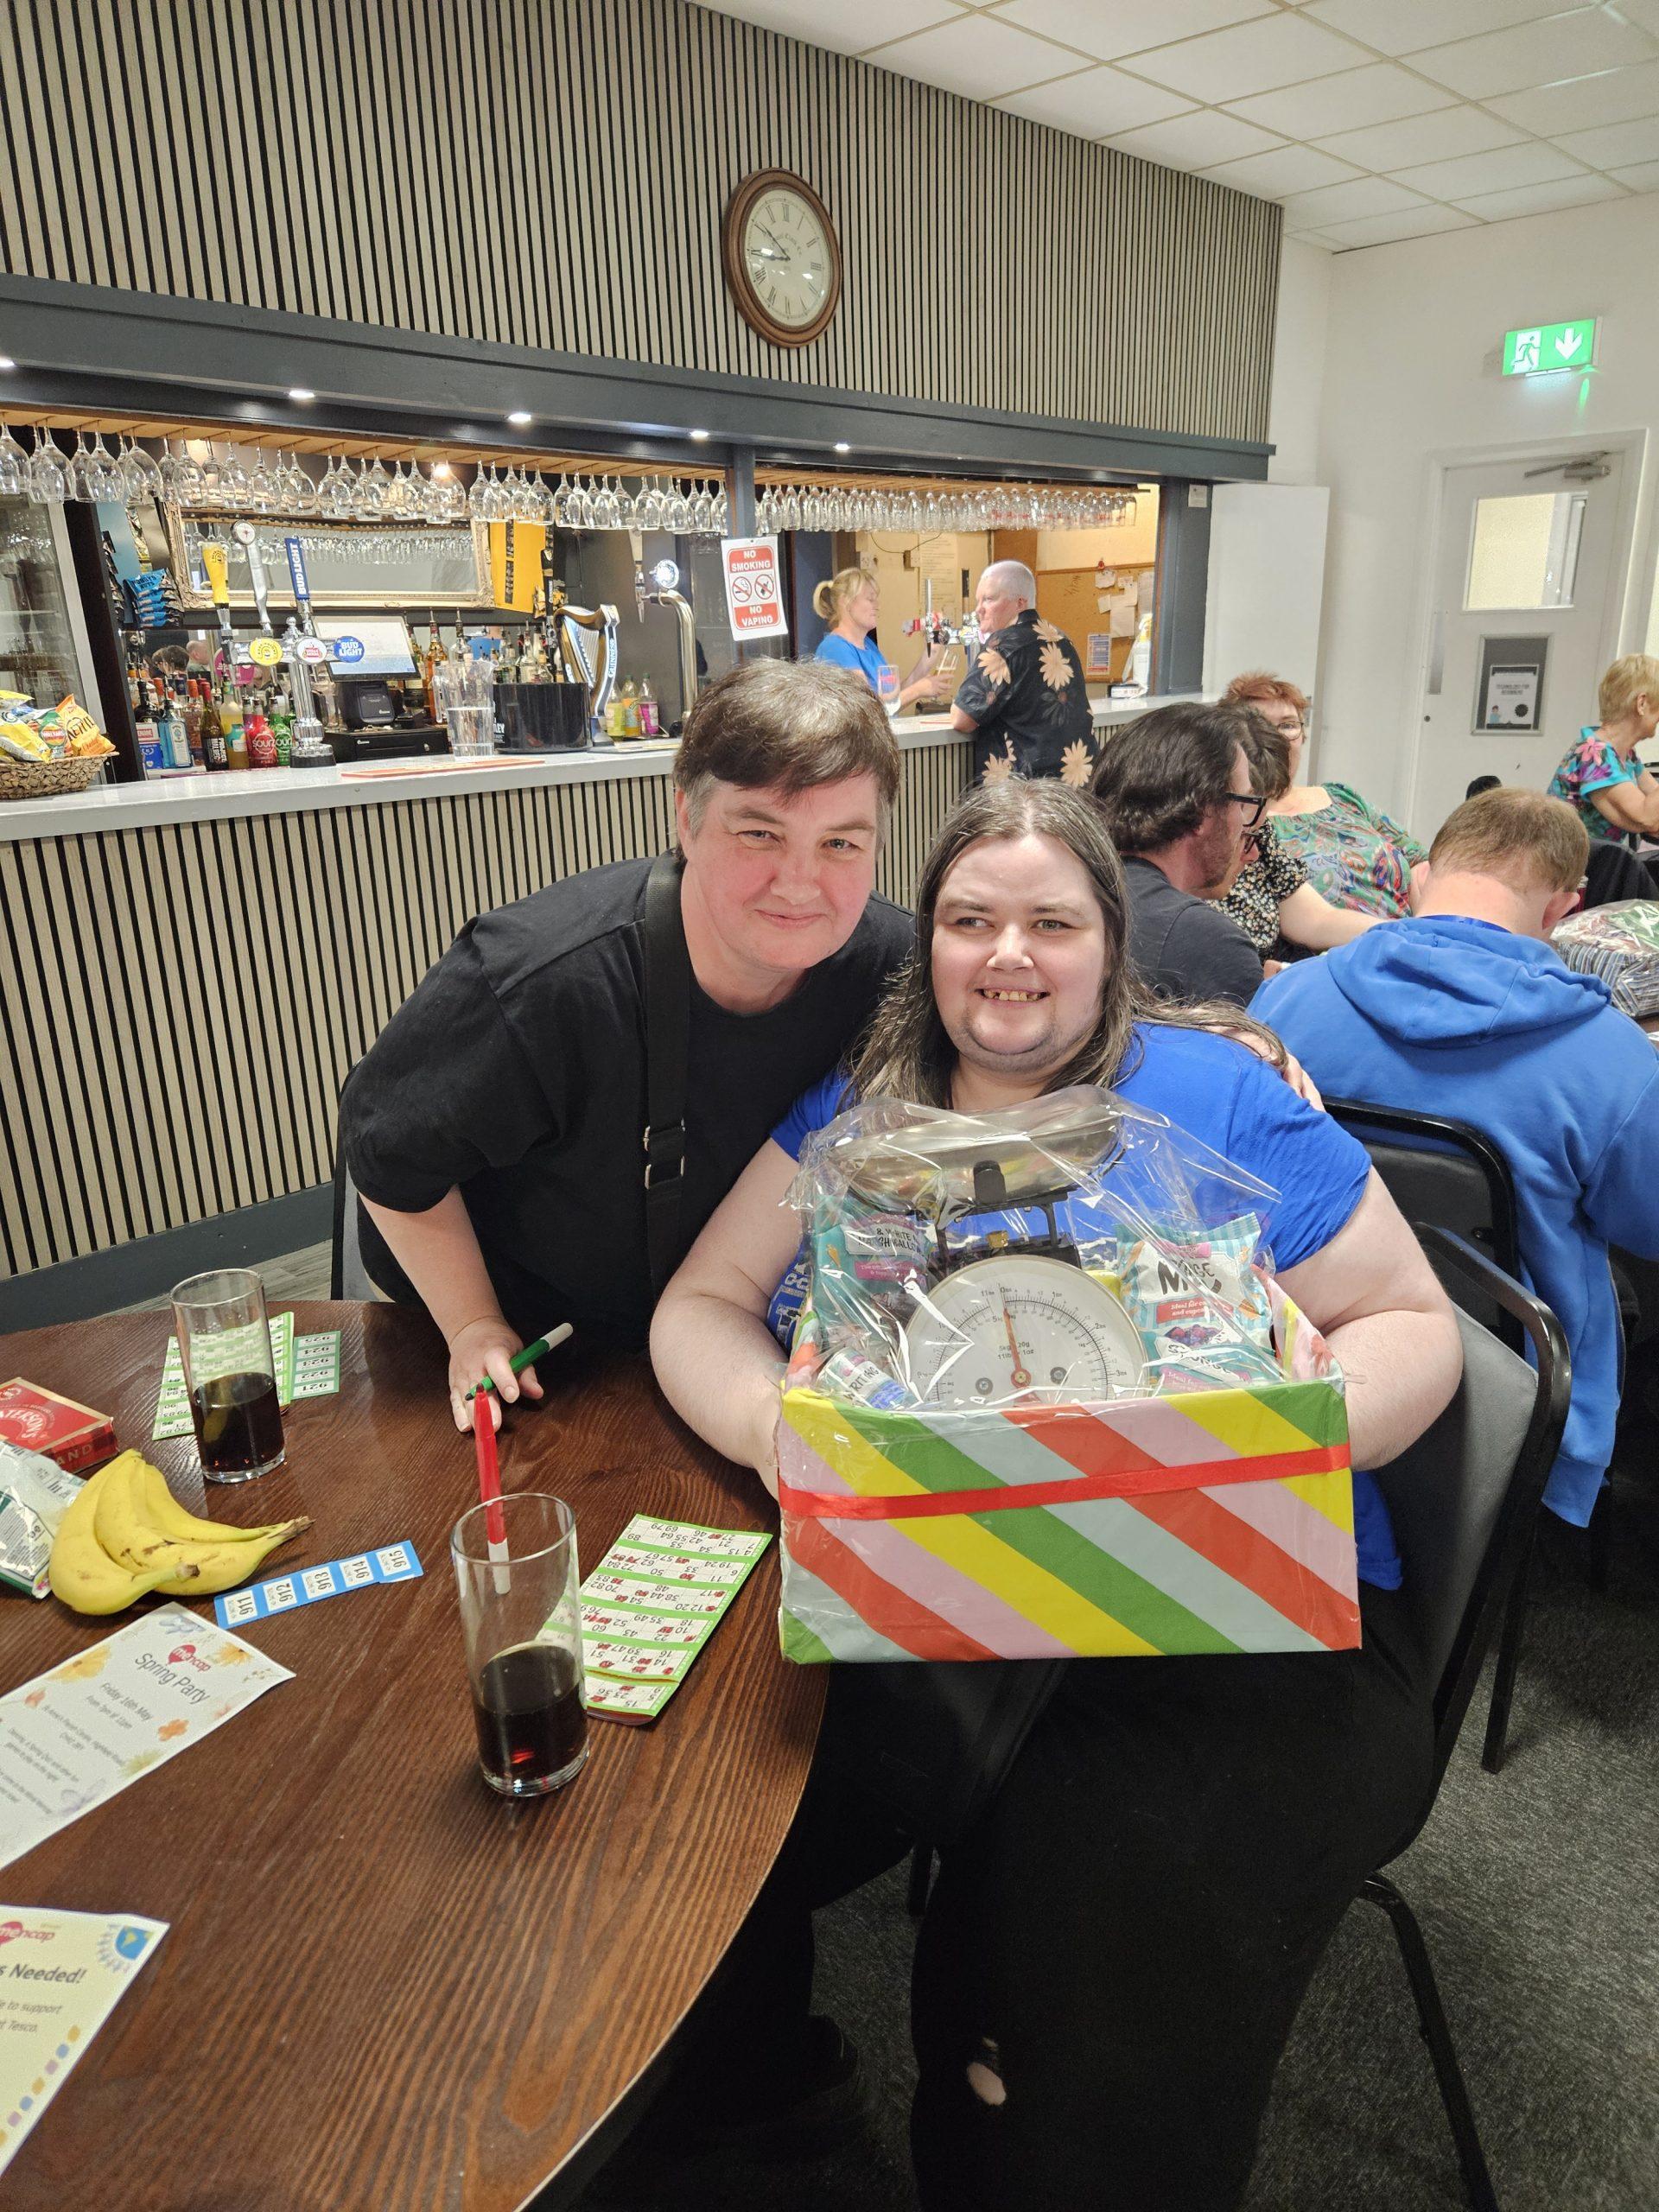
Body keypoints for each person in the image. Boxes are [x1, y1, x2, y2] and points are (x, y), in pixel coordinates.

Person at [651, 779, 1460, 2212]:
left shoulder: (1215, 1094)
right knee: (692, 1795)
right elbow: (700, 1305)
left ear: (1107, 941)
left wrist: (1266, 1437)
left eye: (1049, 921)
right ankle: (749, 2104)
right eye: (970, 919)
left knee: (1081, 1965)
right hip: (948, 1586)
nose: (1007, 954)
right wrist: (780, 1429)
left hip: (1234, 1617)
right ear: (932, 944)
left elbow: (1419, 1329)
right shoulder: (870, 1103)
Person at [337, 658, 914, 1429]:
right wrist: (472, 1324)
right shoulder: (542, 980)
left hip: (749, 1348)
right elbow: (386, 1149)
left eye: (842, 844)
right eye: (758, 833)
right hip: (539, 1360)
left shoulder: (896, 968)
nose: (801, 883)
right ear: (686, 820)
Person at [1257, 786, 1659, 1532]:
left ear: (1416, 882)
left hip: (1310, 1355)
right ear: (1562, 910)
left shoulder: (1283, 1004)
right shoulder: (1613, 1057)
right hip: (1515, 1386)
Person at [1090, 700, 1266, 1005]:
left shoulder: (1068, 890)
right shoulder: (1208, 944)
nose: (1244, 828)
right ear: (1203, 812)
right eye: (1242, 804)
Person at [1223, 671, 1427, 919]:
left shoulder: (1342, 797)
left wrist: (1430, 925)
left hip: (1408, 936)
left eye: (1288, 725)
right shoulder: (1242, 822)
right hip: (1331, 949)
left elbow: (1421, 864)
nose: (1276, 737)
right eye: (1261, 726)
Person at [1221, 708, 1381, 967]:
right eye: (1256, 801)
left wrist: (1403, 933)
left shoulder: (1259, 835)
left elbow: (1317, 920)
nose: (1264, 815)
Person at [950, 559, 1093, 785]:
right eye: (979, 600)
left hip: (1025, 793)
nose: (979, 609)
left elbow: (962, 719)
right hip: (1074, 786)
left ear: (1019, 603)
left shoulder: (1004, 645)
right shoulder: (1062, 638)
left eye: (989, 599)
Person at [1545, 651, 1659, 841]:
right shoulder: (1595, 755)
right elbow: (1647, 818)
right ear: (1641, 704)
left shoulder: (1626, 754)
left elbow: (1652, 803)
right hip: (1569, 866)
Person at [811, 566, 949, 711]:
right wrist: (918, 690)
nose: (877, 605)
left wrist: (933, 649)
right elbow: (868, 709)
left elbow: (891, 701)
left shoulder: (868, 645)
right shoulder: (835, 648)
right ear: (845, 601)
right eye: (870, 599)